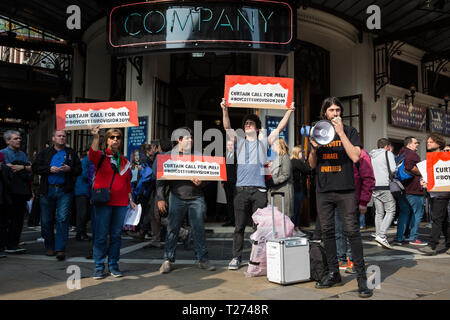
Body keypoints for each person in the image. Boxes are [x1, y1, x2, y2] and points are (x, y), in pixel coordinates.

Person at [308, 97, 372, 298]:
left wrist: (341, 132)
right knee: (327, 232)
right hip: (324, 190)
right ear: (324, 113)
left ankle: (362, 279)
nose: (335, 113)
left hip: (346, 189)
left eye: (338, 110)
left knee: (352, 232)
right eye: (331, 110)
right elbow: (311, 164)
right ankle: (334, 273)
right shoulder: (317, 130)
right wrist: (314, 149)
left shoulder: (350, 131)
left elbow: (354, 156)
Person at [221, 98, 295, 270]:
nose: (247, 125)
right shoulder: (239, 142)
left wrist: (289, 111)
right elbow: (226, 127)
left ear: (256, 127)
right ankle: (236, 257)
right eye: (246, 123)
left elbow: (279, 128)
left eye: (251, 123)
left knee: (260, 229)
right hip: (241, 191)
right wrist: (225, 109)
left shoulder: (263, 143)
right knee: (239, 227)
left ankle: (259, 259)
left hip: (259, 192)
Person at [157, 127, 215, 274]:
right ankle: (168, 260)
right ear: (179, 140)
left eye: (191, 138)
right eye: (187, 138)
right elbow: (160, 180)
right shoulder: (168, 157)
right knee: (172, 229)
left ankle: (202, 259)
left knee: (199, 229)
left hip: (196, 198)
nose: (191, 140)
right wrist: (160, 198)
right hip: (176, 197)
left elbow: (210, 177)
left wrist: (202, 182)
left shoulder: (199, 155)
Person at [89, 126, 136, 279]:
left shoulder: (125, 161)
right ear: (107, 140)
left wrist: (131, 200)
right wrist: (96, 137)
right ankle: (98, 266)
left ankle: (114, 266)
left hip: (121, 203)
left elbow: (128, 182)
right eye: (112, 137)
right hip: (103, 202)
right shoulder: (101, 157)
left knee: (116, 236)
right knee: (101, 235)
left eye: (118, 137)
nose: (115, 139)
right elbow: (92, 154)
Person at [32, 130, 82, 260]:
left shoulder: (71, 153)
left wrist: (69, 169)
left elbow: (79, 170)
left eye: (64, 136)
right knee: (46, 220)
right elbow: (35, 167)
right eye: (59, 136)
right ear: (53, 138)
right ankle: (49, 246)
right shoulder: (45, 152)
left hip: (64, 191)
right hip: (47, 190)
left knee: (63, 218)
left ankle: (60, 248)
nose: (62, 138)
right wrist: (49, 169)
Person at [335, 148, 375, 274]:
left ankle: (354, 260)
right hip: (338, 199)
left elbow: (368, 179)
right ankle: (341, 258)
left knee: (353, 232)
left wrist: (363, 202)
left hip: (353, 200)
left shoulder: (362, 155)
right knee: (338, 230)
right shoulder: (338, 152)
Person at [1, 130, 33, 255]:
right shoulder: (2, 153)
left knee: (18, 220)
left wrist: (21, 167)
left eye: (19, 138)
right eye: (15, 138)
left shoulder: (22, 154)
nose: (19, 140)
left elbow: (31, 168)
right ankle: (4, 245)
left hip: (20, 192)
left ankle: (13, 245)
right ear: (7, 140)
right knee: (5, 220)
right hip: (7, 192)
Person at [419, 133, 450, 255]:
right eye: (428, 141)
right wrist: (424, 182)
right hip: (433, 192)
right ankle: (448, 243)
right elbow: (427, 175)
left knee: (437, 219)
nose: (428, 143)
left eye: (431, 141)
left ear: (439, 143)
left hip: (442, 192)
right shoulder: (429, 158)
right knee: (444, 220)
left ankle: (432, 245)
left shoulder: (446, 156)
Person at [395, 136, 427, 246]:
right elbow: (410, 167)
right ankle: (413, 238)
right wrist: (423, 172)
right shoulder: (411, 154)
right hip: (414, 190)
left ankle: (399, 238)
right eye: (415, 143)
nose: (417, 144)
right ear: (409, 144)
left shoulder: (401, 153)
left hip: (402, 188)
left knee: (404, 213)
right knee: (417, 214)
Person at [369, 138, 397, 249]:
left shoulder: (372, 155)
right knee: (391, 210)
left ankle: (378, 235)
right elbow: (393, 169)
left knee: (379, 213)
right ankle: (381, 235)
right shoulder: (388, 153)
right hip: (384, 185)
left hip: (374, 186)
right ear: (387, 146)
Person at [267, 138, 294, 219]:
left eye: (274, 145)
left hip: (283, 192)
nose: (272, 147)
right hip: (276, 192)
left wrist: (273, 182)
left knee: (283, 219)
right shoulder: (278, 157)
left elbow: (286, 174)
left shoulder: (285, 157)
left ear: (279, 145)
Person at [290, 145, 311, 230]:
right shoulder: (296, 162)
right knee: (296, 210)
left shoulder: (293, 161)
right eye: (301, 152)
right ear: (297, 153)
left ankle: (296, 227)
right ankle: (294, 228)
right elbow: (307, 169)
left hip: (297, 189)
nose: (302, 154)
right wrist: (305, 160)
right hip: (297, 189)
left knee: (297, 209)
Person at [74, 150, 92, 241]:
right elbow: (85, 175)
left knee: (85, 213)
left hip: (84, 191)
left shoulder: (86, 161)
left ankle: (81, 232)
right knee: (83, 213)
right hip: (82, 191)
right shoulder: (87, 161)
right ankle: (80, 233)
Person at [222, 139, 237, 227]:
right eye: (228, 145)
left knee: (235, 202)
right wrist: (222, 181)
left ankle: (236, 221)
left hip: (235, 182)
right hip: (226, 182)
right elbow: (222, 169)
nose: (230, 146)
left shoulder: (237, 156)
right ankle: (230, 220)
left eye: (231, 145)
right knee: (229, 202)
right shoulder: (224, 155)